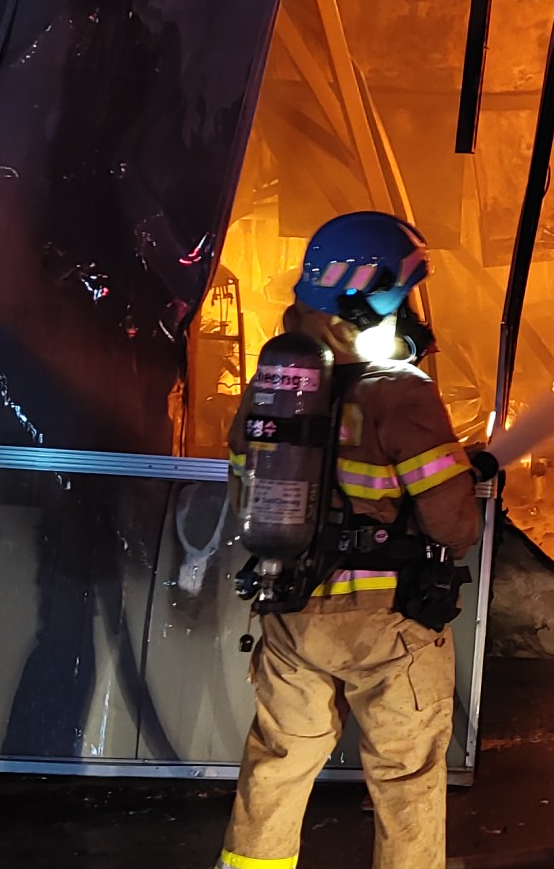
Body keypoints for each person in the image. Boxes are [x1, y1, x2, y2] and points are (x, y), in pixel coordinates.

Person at [217, 212, 482, 869]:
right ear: (371, 300)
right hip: (387, 625)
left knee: (278, 764)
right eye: (405, 295)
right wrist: (459, 477)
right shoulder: (400, 395)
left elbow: (244, 494)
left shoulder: (272, 389)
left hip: (291, 613)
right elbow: (454, 525)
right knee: (405, 775)